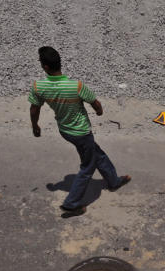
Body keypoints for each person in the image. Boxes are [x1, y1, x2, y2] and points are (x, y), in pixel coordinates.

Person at [29, 46, 130, 216]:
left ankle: (113, 181)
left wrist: (35, 126)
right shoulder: (76, 86)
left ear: (45, 67)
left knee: (97, 153)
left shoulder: (39, 87)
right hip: (81, 132)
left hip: (65, 130)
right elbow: (95, 103)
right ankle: (71, 203)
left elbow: (34, 109)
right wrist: (99, 111)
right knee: (88, 166)